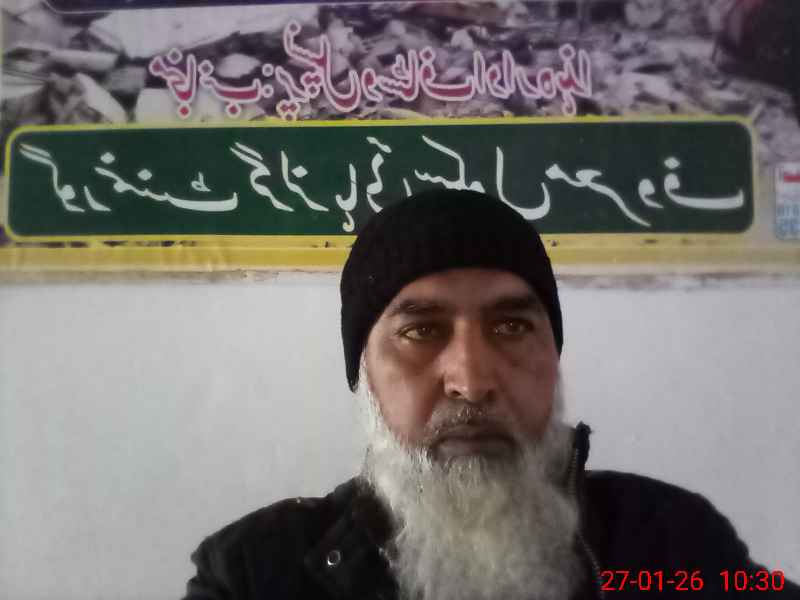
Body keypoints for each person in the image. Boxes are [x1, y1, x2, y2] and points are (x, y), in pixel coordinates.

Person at [183, 189, 799, 600]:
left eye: (510, 327)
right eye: (420, 331)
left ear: (554, 361)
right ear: (364, 374)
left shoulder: (673, 547)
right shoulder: (252, 575)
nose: (472, 380)